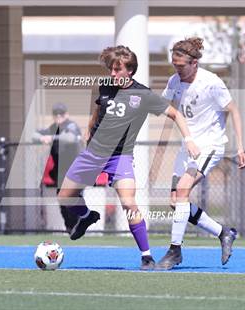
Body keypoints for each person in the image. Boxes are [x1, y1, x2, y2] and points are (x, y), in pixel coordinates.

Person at [57, 45, 200, 270]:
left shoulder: (143, 94)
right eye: (111, 69)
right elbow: (98, 110)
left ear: (129, 70)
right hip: (93, 152)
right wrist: (89, 128)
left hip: (120, 156)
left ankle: (146, 256)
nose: (112, 74)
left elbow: (175, 114)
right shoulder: (104, 86)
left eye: (117, 69)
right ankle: (86, 216)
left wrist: (189, 139)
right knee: (65, 196)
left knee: (128, 203)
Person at [155, 37, 245, 270]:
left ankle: (175, 251)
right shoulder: (174, 81)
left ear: (194, 63)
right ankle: (223, 233)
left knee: (183, 190)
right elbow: (168, 108)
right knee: (176, 202)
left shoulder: (211, 82)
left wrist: (240, 146)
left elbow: (234, 110)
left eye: (182, 66)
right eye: (175, 66)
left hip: (209, 145)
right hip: (188, 147)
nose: (178, 70)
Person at [33, 103, 82, 233]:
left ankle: (78, 225)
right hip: (61, 172)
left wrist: (52, 137)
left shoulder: (71, 125)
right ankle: (71, 227)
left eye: (61, 114)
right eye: (56, 114)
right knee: (63, 201)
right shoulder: (53, 127)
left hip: (74, 171)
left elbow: (70, 138)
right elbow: (34, 134)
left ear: (66, 114)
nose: (58, 117)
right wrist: (42, 137)